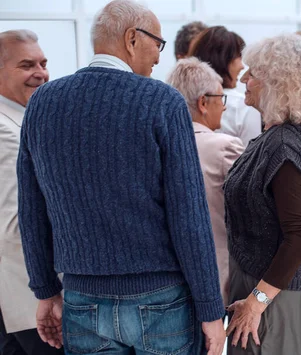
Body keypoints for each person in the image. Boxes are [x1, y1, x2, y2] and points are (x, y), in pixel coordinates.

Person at [17, 1, 225, 354]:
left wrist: (46, 290)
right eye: (157, 44)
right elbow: (188, 215)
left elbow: (32, 207)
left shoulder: (43, 102)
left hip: (82, 299)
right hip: (161, 301)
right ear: (132, 39)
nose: (159, 57)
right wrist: (210, 311)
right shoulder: (162, 101)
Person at [223, 33, 301, 355]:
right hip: (268, 291)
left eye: (253, 73)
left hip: (273, 301)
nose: (244, 78)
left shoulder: (284, 145)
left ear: (278, 83)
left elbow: (300, 236)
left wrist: (256, 303)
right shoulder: (279, 137)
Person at [0, 29, 61, 355]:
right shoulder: (6, 131)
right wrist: (48, 293)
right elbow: (17, 224)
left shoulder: (22, 120)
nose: (41, 73)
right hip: (26, 306)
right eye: (27, 65)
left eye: (43, 62)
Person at [167, 57, 244, 306]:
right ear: (203, 103)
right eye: (221, 99)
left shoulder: (160, 143)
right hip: (217, 272)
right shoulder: (225, 147)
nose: (223, 107)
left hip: (170, 274)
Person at [189, 26, 261, 147]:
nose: (242, 67)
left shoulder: (185, 101)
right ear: (224, 60)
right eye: (239, 57)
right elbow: (252, 155)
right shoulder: (244, 106)